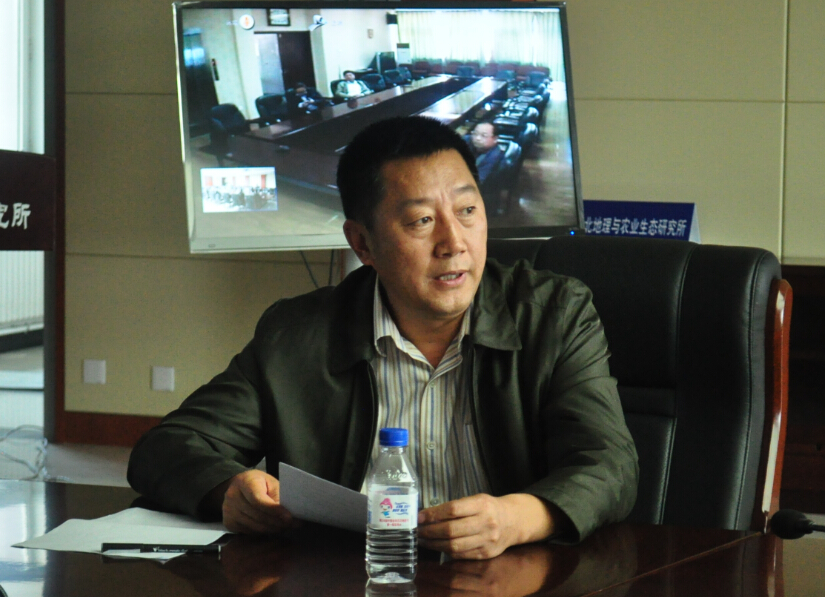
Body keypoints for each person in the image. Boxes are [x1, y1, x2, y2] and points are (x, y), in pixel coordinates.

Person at [128, 116, 638, 560]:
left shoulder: (554, 314)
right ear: (363, 243)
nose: (454, 243)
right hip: (353, 577)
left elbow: (609, 464)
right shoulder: (296, 334)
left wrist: (516, 518)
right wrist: (228, 490)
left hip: (509, 579)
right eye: (421, 221)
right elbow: (167, 448)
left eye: (467, 211)